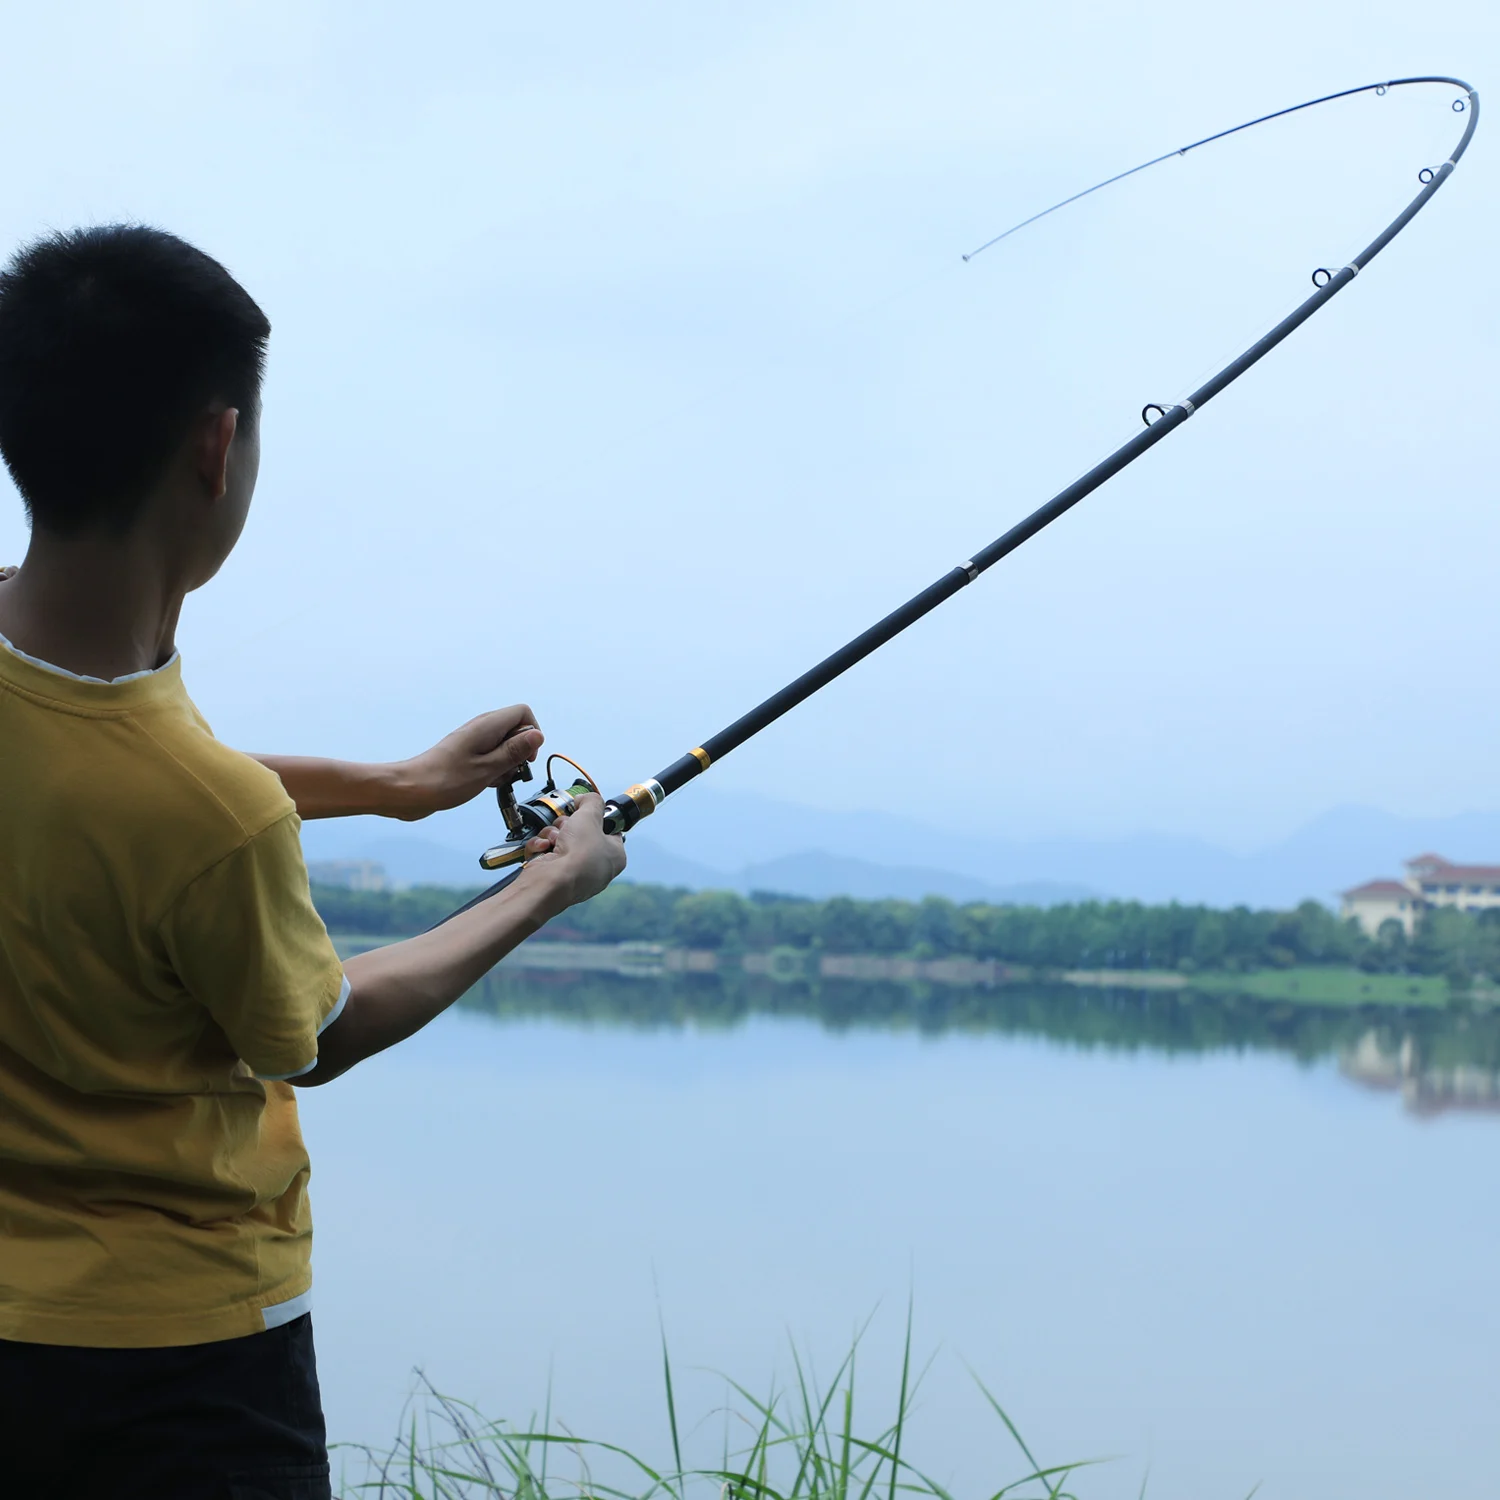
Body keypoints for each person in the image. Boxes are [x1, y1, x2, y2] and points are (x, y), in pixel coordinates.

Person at [0, 224, 626, 1499]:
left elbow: (96, 785)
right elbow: (320, 1032)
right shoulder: (210, 815)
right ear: (218, 448)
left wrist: (397, 790)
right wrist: (546, 887)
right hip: (181, 1362)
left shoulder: (167, 780)